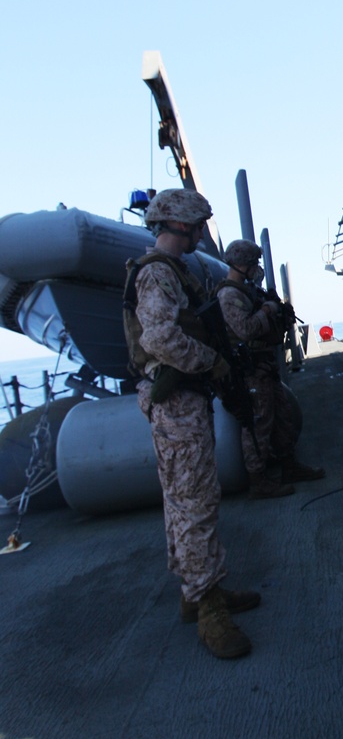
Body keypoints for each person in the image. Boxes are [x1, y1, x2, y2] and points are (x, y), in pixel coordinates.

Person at [122, 189, 260, 660]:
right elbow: (160, 337)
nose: (201, 231)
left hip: (183, 400)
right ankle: (209, 609)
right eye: (198, 224)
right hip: (176, 401)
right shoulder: (158, 272)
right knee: (196, 502)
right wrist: (211, 363)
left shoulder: (175, 271)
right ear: (182, 225)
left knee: (184, 501)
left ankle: (198, 592)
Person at [215, 239, 324, 498]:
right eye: (254, 263)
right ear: (243, 264)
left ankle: (289, 465)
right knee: (258, 423)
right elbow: (245, 330)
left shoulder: (246, 290)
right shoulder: (229, 295)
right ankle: (258, 480)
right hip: (249, 370)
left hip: (264, 367)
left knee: (283, 415)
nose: (257, 268)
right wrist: (266, 310)